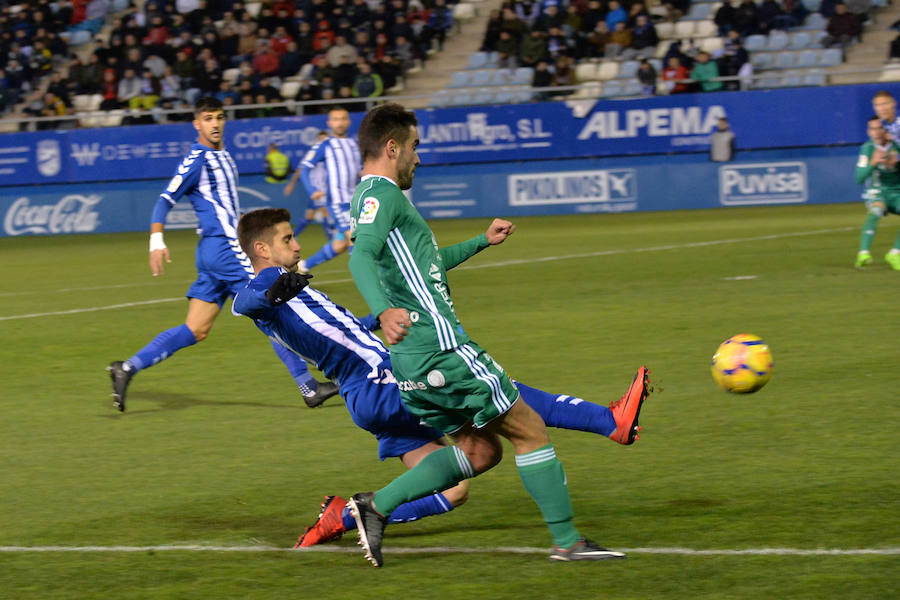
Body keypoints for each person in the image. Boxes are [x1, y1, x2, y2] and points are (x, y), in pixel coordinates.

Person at [232, 208, 651, 549]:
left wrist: (386, 316)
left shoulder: (294, 290)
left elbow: (344, 330)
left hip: (371, 391)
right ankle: (608, 422)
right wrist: (272, 289)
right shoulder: (269, 286)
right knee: (495, 393)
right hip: (376, 382)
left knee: (456, 488)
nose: (298, 244)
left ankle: (340, 518)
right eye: (288, 239)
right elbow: (244, 301)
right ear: (261, 248)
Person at [344, 103, 651, 567]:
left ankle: (375, 507)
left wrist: (480, 242)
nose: (418, 159)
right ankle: (567, 541)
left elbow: (424, 269)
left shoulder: (377, 198)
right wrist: (385, 310)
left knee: (480, 450)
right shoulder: (380, 195)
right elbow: (359, 257)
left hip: (412, 359)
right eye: (414, 148)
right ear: (392, 148)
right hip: (439, 349)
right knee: (529, 429)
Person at [107, 97, 338, 413]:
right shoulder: (197, 160)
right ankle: (308, 385)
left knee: (195, 329)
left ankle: (128, 368)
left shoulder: (223, 156)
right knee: (272, 306)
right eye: (207, 118)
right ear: (196, 124)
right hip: (226, 249)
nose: (214, 123)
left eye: (218, 117)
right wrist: (156, 241)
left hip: (213, 253)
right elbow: (165, 198)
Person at [294, 107, 362, 274]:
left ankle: (303, 266)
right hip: (338, 202)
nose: (340, 123)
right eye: (336, 119)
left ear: (348, 121)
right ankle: (366, 280)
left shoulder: (354, 145)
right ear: (330, 123)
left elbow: (360, 171)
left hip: (355, 201)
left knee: (339, 244)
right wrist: (312, 190)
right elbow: (304, 169)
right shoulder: (325, 145)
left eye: (343, 119)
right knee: (356, 238)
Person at [854, 116, 900, 269]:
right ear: (869, 132)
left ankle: (894, 254)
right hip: (877, 191)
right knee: (875, 211)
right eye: (873, 129)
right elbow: (859, 178)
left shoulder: (895, 146)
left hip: (896, 192)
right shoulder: (867, 149)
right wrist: (873, 163)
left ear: (884, 129)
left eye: (879, 128)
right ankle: (864, 253)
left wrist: (896, 160)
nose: (877, 132)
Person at [284, 130, 331, 238]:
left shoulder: (330, 153)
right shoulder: (314, 153)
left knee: (309, 216)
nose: (324, 141)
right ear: (318, 140)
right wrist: (291, 184)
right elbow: (301, 168)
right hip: (317, 189)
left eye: (326, 139)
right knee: (326, 213)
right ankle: (331, 239)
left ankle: (292, 236)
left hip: (323, 188)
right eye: (322, 139)